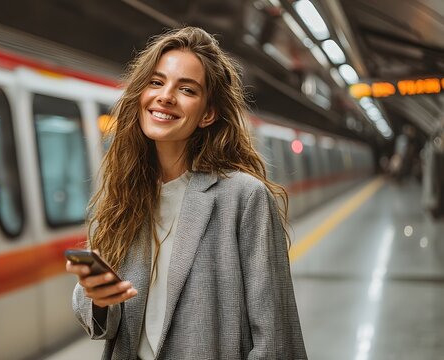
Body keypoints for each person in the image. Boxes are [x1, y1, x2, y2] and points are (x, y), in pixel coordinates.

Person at [66, 26, 307, 359]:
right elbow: (101, 321)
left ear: (207, 114)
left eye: (187, 89)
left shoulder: (243, 197)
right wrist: (97, 296)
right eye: (156, 82)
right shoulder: (126, 193)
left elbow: (275, 338)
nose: (165, 96)